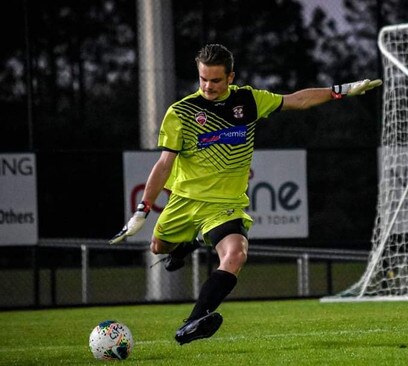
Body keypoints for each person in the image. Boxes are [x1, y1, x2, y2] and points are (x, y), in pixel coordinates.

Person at [109, 43, 381, 345]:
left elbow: (297, 100)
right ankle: (188, 243)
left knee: (236, 255)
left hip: (226, 205)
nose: (208, 86)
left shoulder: (248, 100)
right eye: (203, 79)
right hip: (185, 201)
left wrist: (338, 91)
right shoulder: (181, 112)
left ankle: (192, 322)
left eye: (215, 80)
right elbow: (164, 164)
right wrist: (143, 208)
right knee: (158, 247)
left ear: (230, 77)